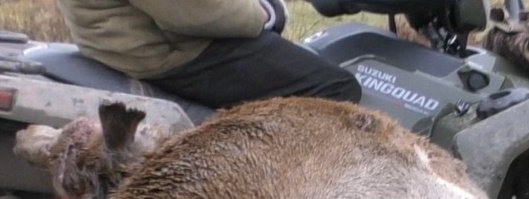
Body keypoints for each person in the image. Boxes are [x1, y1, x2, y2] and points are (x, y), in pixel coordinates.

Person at [56, 0, 362, 108]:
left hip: (132, 40)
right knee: (336, 88)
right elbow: (194, 12)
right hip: (169, 51)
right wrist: (265, 13)